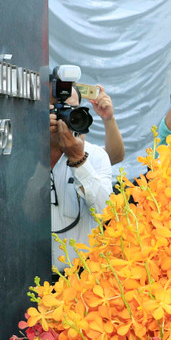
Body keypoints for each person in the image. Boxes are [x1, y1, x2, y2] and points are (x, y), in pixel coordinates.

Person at [50, 85, 113, 274]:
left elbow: (107, 212)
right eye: (58, 110)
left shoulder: (95, 155)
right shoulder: (21, 153)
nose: (67, 117)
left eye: (73, 109)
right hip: (29, 278)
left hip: (82, 278)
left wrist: (78, 160)